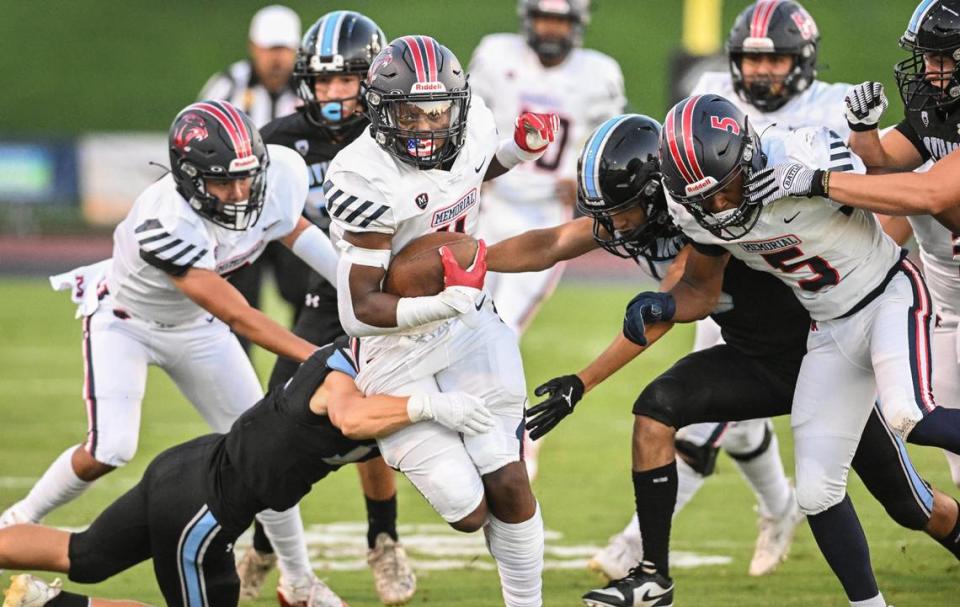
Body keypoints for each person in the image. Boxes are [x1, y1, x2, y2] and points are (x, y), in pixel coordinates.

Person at [487, 114, 960, 607]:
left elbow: (685, 286)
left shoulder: (739, 183)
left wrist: (584, 382)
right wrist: (474, 261)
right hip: (780, 350)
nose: (614, 228)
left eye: (624, 213)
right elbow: (662, 280)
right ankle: (652, 574)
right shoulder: (694, 208)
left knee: (909, 495)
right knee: (663, 411)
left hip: (832, 332)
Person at [0, 100, 346, 607]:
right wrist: (319, 357)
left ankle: (299, 582)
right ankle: (16, 522)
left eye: (245, 178)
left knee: (267, 449)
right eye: (221, 183)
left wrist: (356, 283)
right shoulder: (165, 218)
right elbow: (240, 315)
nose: (237, 192)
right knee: (110, 448)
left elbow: (289, 226)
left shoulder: (277, 175)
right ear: (187, 179)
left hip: (196, 327)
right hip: (125, 323)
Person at [620, 92, 960, 607]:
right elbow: (701, 289)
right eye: (702, 200)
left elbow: (902, 196)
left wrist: (821, 181)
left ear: (747, 156)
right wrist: (662, 306)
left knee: (908, 413)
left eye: (725, 189)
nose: (718, 207)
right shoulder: (695, 206)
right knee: (817, 492)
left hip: (888, 293)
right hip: (827, 326)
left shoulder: (797, 154)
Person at [587, 0, 843, 578]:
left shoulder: (830, 107)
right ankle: (775, 509)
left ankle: (640, 546)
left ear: (802, 60)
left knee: (711, 422)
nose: (761, 72)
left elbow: (861, 189)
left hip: (797, 278)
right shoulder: (708, 90)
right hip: (719, 265)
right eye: (751, 59)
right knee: (721, 418)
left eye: (775, 59)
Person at [325, 35, 561, 607]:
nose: (428, 127)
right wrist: (444, 302)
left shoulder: (472, 125)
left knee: (507, 476)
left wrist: (516, 151)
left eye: (439, 112)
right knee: (467, 508)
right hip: (394, 343)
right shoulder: (364, 176)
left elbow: (471, 173)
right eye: (412, 114)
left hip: (467, 322)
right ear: (382, 114)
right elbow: (359, 311)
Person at [0, 340, 495, 607]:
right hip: (203, 513)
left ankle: (39, 601)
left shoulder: (387, 388)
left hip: (189, 466)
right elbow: (351, 418)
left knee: (83, 555)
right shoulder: (349, 370)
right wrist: (431, 404)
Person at [233, 12, 417, 606]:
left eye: (348, 81)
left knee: (377, 430)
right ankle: (265, 541)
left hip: (389, 297)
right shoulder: (281, 136)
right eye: (325, 81)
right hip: (316, 300)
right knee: (280, 425)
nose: (335, 94)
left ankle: (384, 540)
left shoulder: (399, 133)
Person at [751, 0, 960, 492]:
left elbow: (929, 193)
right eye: (926, 57)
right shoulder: (938, 106)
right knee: (952, 445)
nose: (931, 71)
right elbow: (886, 162)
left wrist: (821, 180)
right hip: (949, 299)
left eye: (943, 58)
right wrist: (863, 132)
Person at [468, 0, 625, 482]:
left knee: (501, 328)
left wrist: (586, 181)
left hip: (547, 221)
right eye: (544, 18)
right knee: (464, 322)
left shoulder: (598, 74)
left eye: (560, 19)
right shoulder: (496, 55)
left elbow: (612, 145)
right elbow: (468, 121)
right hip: (487, 210)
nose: (551, 28)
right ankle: (477, 431)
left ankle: (515, 446)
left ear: (576, 24)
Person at [198, 4, 307, 354]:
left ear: (296, 50)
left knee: (308, 300)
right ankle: (239, 391)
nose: (276, 59)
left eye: (283, 49)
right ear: (253, 47)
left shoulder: (313, 89)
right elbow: (198, 140)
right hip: (237, 215)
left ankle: (305, 382)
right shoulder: (227, 85)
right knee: (238, 305)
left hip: (297, 212)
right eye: (269, 49)